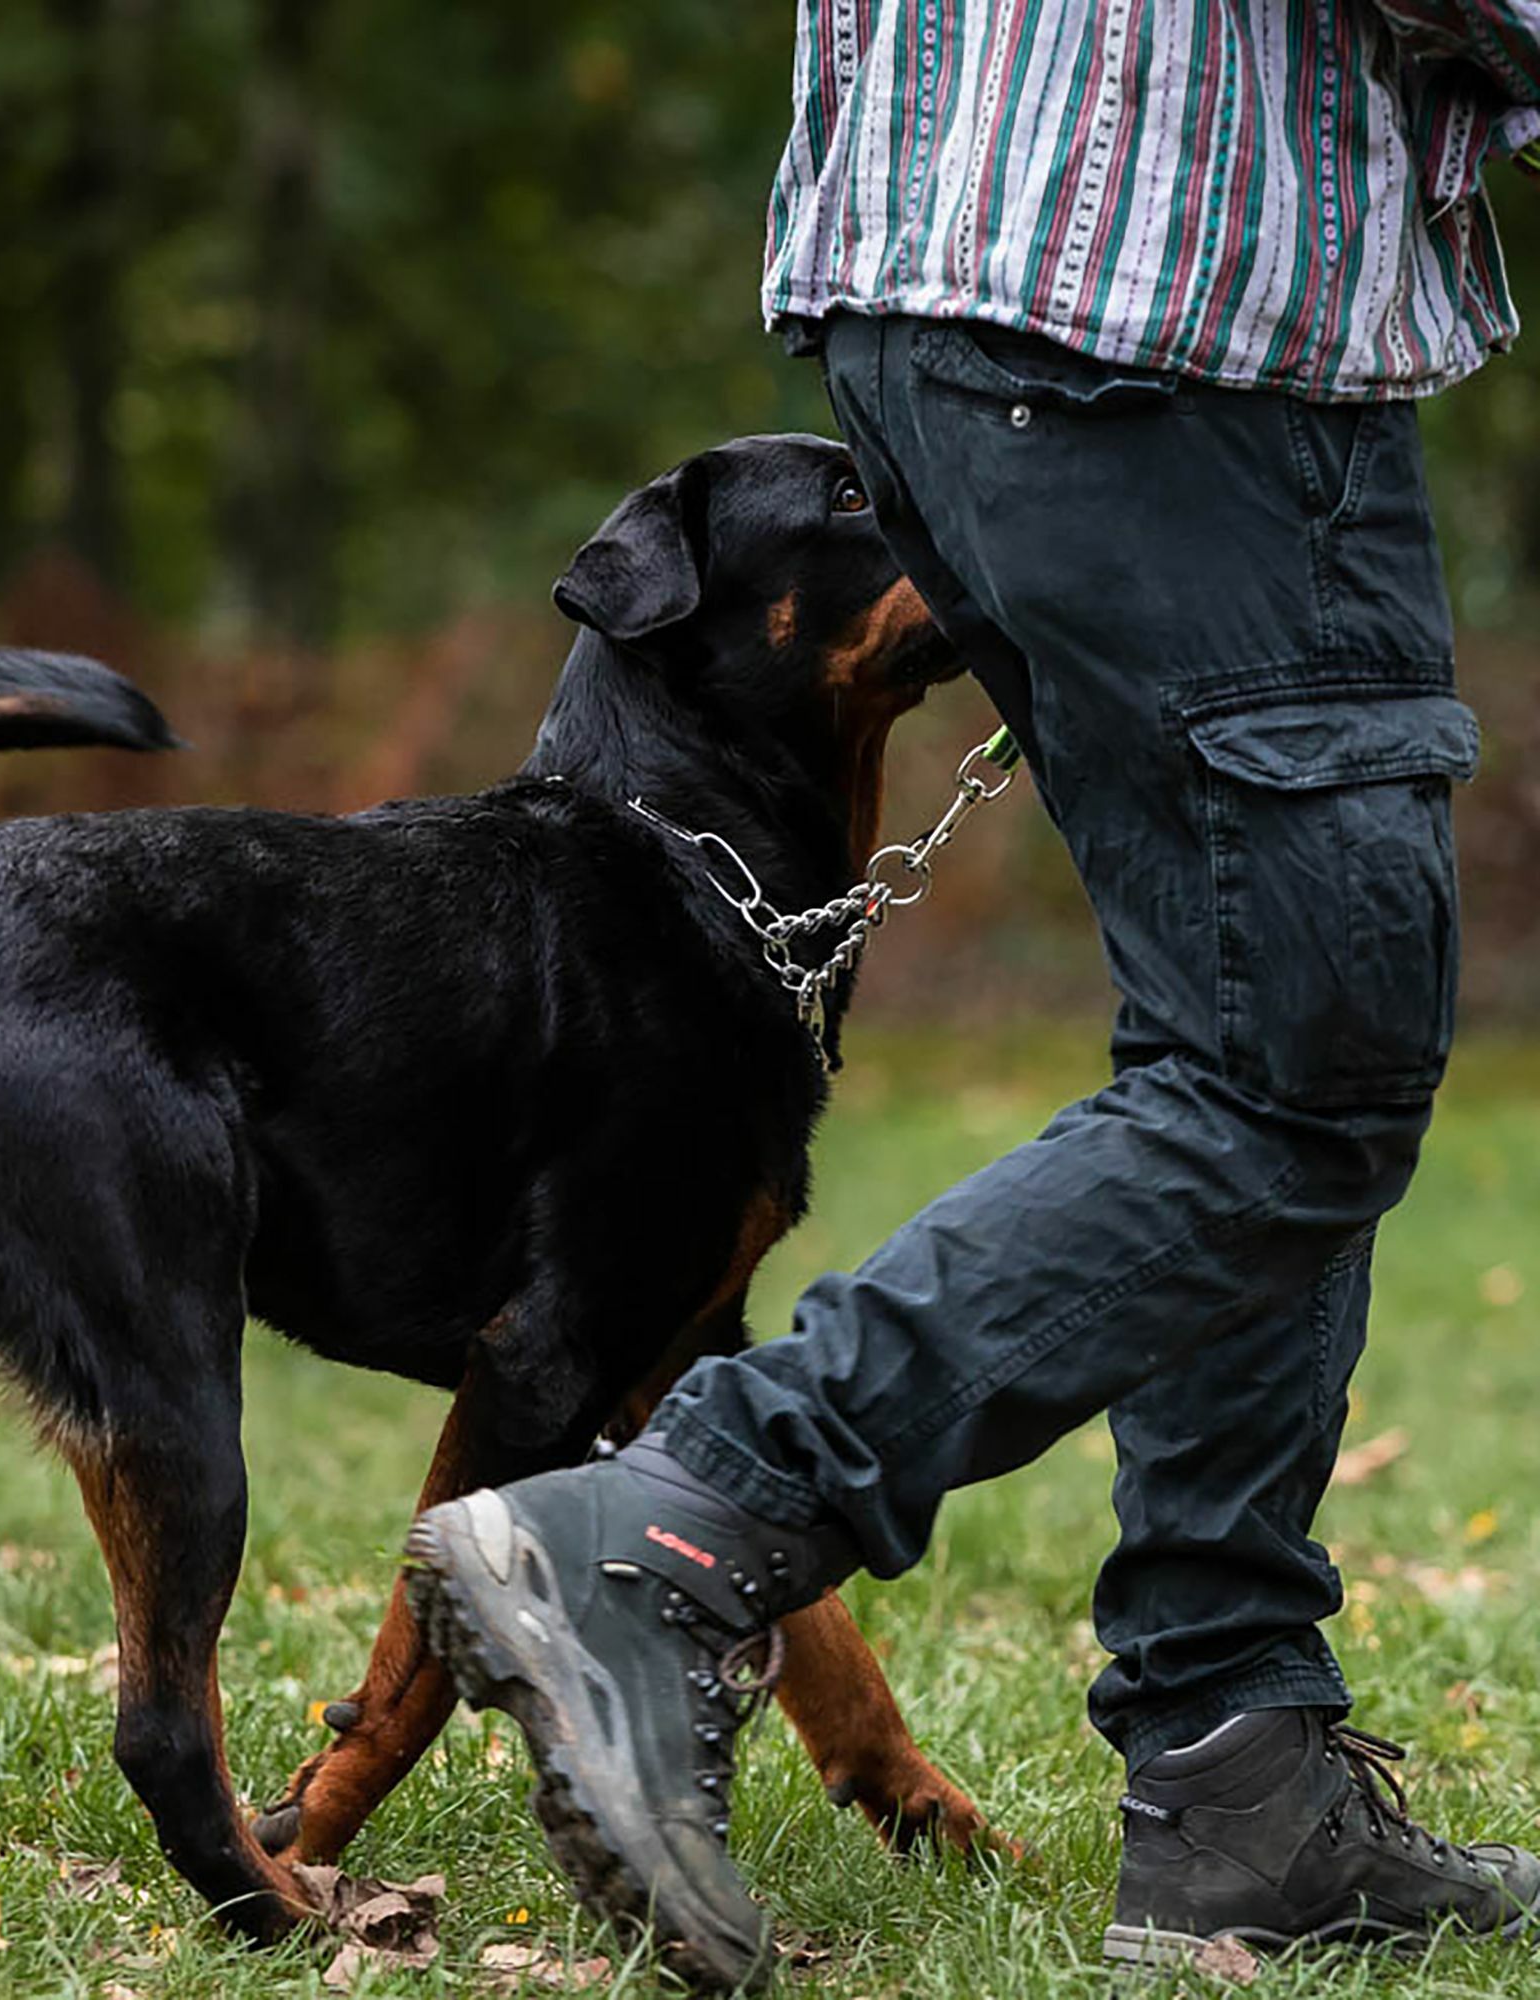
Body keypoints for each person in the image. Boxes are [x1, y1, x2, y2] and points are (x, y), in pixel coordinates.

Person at [407, 1, 1540, 1989]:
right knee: (1302, 1075)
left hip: (976, 287)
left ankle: (1235, 1766)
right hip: (1167, 324)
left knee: (1241, 1035)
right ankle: (683, 1519)